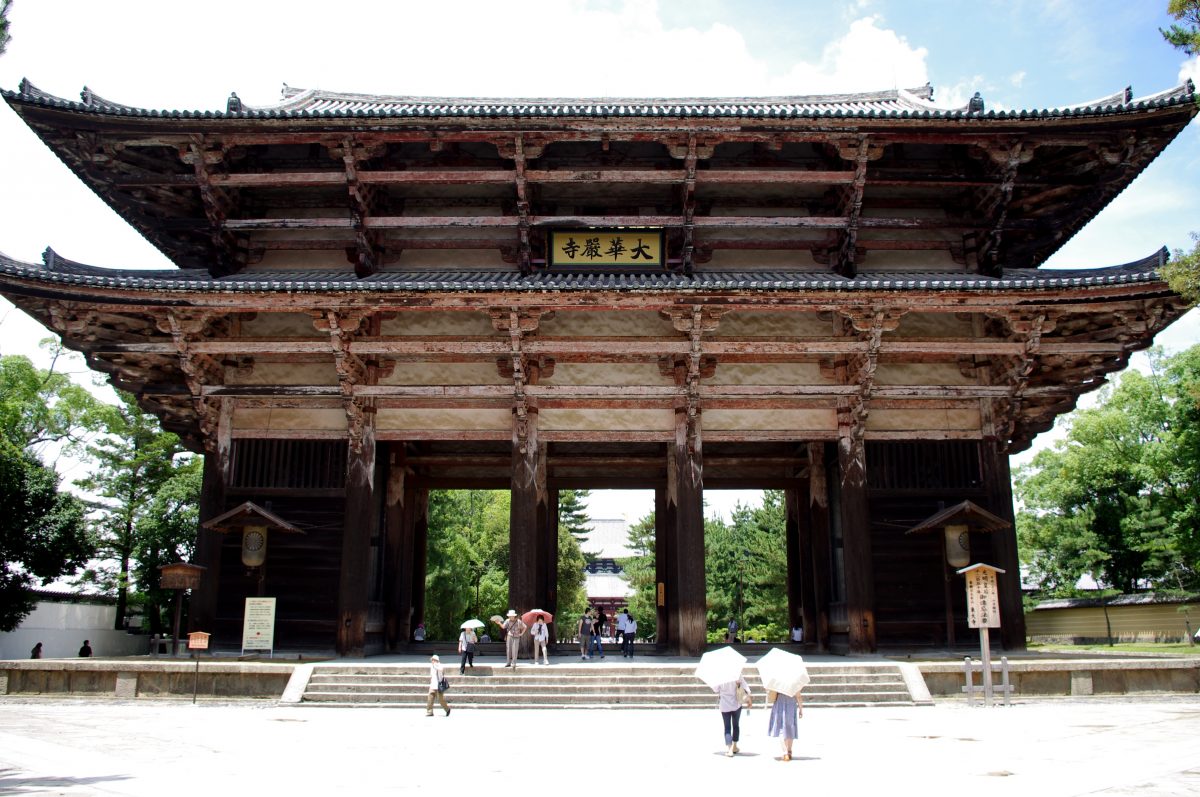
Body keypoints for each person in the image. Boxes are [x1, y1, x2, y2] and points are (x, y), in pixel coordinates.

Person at [715, 674, 752, 757]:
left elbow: (715, 689)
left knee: (727, 727)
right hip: (736, 704)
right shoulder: (737, 674)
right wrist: (749, 698)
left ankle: (729, 749)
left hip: (724, 705)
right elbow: (745, 687)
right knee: (736, 725)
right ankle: (735, 745)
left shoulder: (720, 677)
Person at [767, 689, 802, 761]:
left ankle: (785, 752)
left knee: (781, 728)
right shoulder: (794, 682)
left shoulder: (778, 682)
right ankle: (789, 751)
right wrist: (801, 709)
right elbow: (798, 696)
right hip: (791, 702)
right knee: (790, 727)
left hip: (780, 702)